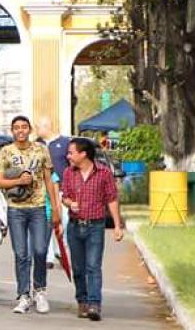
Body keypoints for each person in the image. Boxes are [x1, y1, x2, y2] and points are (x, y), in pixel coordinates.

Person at [0, 115, 62, 315]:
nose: (21, 131)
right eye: (17, 128)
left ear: (30, 129)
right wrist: (18, 182)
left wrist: (55, 207)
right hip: (16, 208)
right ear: (12, 131)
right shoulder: (6, 152)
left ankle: (40, 290)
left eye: (24, 127)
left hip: (39, 207)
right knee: (21, 253)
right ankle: (23, 294)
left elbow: (49, 179)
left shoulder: (41, 150)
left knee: (40, 250)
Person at [62, 137, 125, 321]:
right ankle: (82, 300)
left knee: (93, 266)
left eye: (71, 152)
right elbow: (64, 196)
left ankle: (94, 304)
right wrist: (69, 203)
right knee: (79, 268)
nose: (68, 156)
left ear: (83, 154)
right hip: (74, 226)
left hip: (95, 226)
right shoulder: (68, 173)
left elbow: (111, 199)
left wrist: (117, 225)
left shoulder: (104, 173)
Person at [36, 116, 71, 269]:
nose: (37, 131)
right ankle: (49, 256)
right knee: (47, 222)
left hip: (63, 190)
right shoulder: (37, 144)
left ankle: (61, 250)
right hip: (43, 191)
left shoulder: (65, 143)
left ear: (47, 126)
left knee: (65, 221)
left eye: (38, 127)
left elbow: (72, 165)